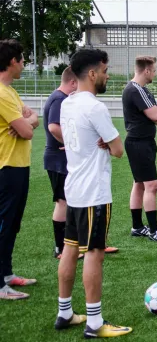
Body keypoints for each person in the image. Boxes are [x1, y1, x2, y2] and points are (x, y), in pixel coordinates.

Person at [56, 49, 132, 337]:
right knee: (94, 253)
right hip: (93, 193)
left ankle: (65, 313)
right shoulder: (95, 107)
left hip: (74, 189)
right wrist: (106, 141)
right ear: (92, 73)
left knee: (70, 248)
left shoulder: (67, 103)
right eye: (104, 69)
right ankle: (95, 323)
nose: (107, 74)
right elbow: (119, 150)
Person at [0, 39, 38, 300]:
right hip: (6, 166)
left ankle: (6, 273)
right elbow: (26, 130)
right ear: (12, 61)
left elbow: (32, 118)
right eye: (23, 59)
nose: (24, 64)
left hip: (20, 165)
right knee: (3, 224)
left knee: (13, 224)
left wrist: (28, 120)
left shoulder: (10, 91)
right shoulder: (1, 93)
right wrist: (28, 122)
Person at [122, 56, 157, 242]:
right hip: (139, 143)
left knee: (139, 184)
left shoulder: (141, 90)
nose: (155, 73)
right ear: (146, 71)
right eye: (154, 70)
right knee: (151, 185)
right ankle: (154, 230)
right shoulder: (136, 90)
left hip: (141, 142)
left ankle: (137, 226)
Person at [44, 67, 83, 260]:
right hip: (57, 160)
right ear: (73, 82)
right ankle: (60, 248)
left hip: (59, 160)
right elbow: (53, 127)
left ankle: (69, 245)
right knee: (63, 202)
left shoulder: (58, 97)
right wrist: (68, 143)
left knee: (67, 201)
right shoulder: (60, 99)